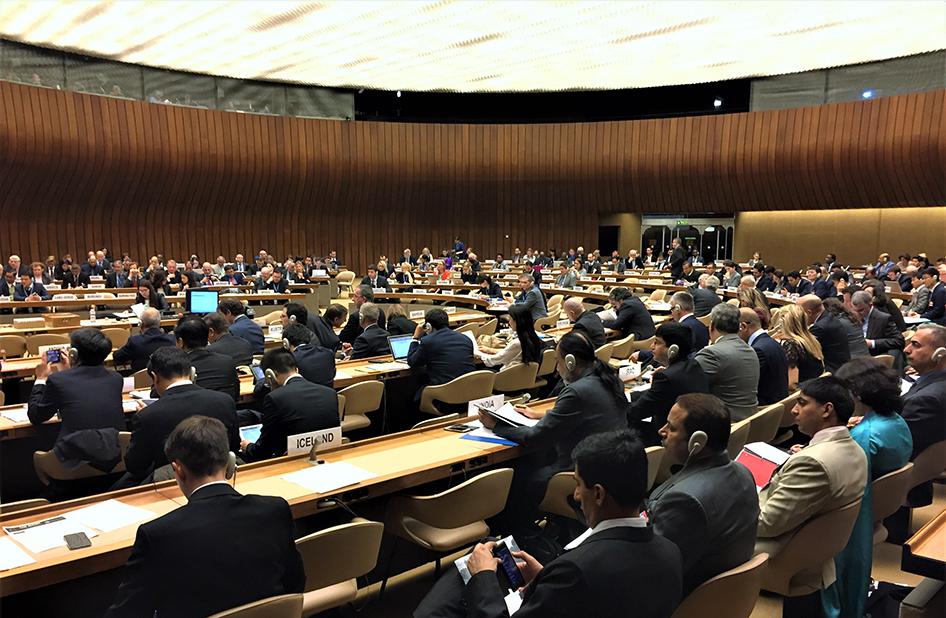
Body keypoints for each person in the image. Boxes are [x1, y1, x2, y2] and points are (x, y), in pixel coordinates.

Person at [414, 430, 682, 618]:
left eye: (579, 485)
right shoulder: (670, 551)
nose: (576, 495)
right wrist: (546, 581)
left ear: (598, 494)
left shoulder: (576, 570)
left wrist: (483, 576)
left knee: (447, 594)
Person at [106, 416, 304, 618]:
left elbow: (128, 612)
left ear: (178, 470)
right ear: (229, 462)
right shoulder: (275, 509)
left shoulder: (157, 534)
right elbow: (295, 584)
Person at [478, 332, 628, 534]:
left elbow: (534, 438)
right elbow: (585, 413)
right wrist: (542, 414)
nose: (557, 369)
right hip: (609, 463)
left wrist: (496, 425)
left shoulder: (576, 391)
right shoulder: (607, 378)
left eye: (558, 362)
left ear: (570, 361)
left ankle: (519, 535)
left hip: (577, 469)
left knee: (517, 479)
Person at [756, 377, 868, 601]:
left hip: (774, 551)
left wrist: (732, 505)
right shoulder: (854, 449)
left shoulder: (813, 463)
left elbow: (767, 524)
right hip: (813, 551)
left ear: (827, 410)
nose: (794, 411)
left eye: (802, 403)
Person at [820, 359, 912, 618]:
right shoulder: (894, 421)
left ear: (856, 394)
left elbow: (842, 486)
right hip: (879, 510)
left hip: (852, 522)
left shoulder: (866, 435)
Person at [647, 394, 759, 594]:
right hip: (724, 590)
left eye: (671, 428)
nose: (661, 431)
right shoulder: (744, 472)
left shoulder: (684, 501)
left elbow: (653, 567)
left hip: (687, 596)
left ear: (696, 442)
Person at [120, 347, 240, 485]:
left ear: (154, 377)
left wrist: (146, 418)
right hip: (220, 476)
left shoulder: (147, 415)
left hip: (169, 482)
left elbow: (135, 466)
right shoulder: (224, 401)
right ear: (192, 372)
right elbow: (234, 445)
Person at [27, 328, 125, 469]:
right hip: (111, 459)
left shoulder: (58, 380)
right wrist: (68, 372)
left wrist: (41, 379)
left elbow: (36, 416)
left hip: (73, 461)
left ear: (73, 353)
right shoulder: (116, 379)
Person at [241, 348, 339, 462]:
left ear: (270, 375)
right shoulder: (330, 393)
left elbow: (263, 452)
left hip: (289, 462)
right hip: (329, 458)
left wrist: (248, 447)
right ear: (296, 369)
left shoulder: (275, 398)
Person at [628, 322, 709, 445]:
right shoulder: (693, 365)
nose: (651, 346)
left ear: (673, 349)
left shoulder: (666, 377)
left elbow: (637, 412)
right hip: (690, 432)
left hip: (667, 437)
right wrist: (629, 396)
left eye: (657, 342)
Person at [694, 303, 760, 421]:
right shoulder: (750, 349)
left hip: (724, 422)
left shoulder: (711, 353)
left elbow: (687, 385)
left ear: (712, 326)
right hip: (749, 420)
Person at [901, 324, 946, 461]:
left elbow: (899, 443)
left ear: (939, 354)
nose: (906, 350)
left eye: (915, 345)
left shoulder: (926, 400)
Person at [407, 308, 476, 393]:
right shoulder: (466, 339)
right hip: (469, 391)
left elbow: (412, 362)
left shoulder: (428, 341)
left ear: (428, 326)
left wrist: (415, 338)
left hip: (444, 393)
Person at [174, 318, 239, 401]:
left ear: (180, 342)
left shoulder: (177, 368)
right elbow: (236, 394)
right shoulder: (227, 361)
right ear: (208, 335)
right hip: (226, 411)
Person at [739, 308, 789, 405]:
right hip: (777, 403)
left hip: (764, 406)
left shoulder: (757, 350)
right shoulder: (772, 342)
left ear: (743, 327)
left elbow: (746, 385)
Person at [478, 304, 545, 370]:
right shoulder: (533, 338)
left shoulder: (517, 343)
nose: (509, 322)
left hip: (508, 377)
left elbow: (492, 360)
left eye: (510, 319)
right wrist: (490, 350)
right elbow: (509, 353)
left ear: (517, 321)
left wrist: (477, 352)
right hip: (524, 376)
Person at [798, 294, 851, 373]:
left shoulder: (820, 327)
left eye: (798, 312)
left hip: (831, 372)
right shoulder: (829, 317)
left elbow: (800, 349)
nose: (797, 315)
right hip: (842, 367)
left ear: (809, 313)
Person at [778, 303, 826, 390]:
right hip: (815, 390)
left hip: (800, 395)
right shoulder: (812, 340)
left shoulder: (791, 344)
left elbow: (792, 384)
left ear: (784, 323)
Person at [850, 290, 904, 366]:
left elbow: (899, 340)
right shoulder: (852, 316)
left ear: (870, 305)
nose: (857, 313)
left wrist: (872, 343)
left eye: (861, 310)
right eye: (855, 310)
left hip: (873, 357)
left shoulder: (883, 318)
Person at [113, 307, 175, 371]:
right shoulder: (172, 339)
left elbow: (117, 357)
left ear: (142, 324)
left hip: (140, 380)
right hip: (165, 379)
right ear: (160, 323)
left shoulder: (135, 341)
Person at [281, 323, 336, 388]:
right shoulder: (328, 353)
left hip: (302, 396)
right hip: (329, 396)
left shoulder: (291, 360)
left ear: (286, 343)